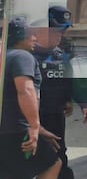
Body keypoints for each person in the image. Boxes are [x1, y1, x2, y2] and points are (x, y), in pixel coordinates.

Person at [0, 17, 62, 179]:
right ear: (20, 36)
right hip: (18, 131)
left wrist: (39, 128)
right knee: (53, 163)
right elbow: (25, 90)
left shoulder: (4, 56)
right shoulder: (22, 56)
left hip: (6, 130)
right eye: (31, 35)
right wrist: (34, 127)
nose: (35, 38)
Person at [34, 6, 87, 179]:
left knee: (59, 155)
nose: (60, 36)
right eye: (56, 32)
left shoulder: (60, 56)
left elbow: (70, 82)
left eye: (61, 32)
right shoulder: (29, 55)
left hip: (55, 115)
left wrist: (82, 103)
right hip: (35, 117)